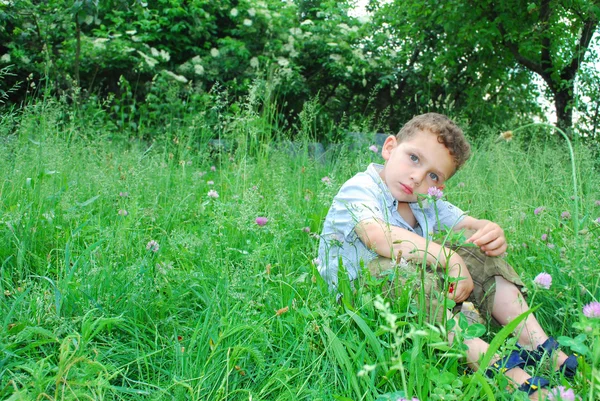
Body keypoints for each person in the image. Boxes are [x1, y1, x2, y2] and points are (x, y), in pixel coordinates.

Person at [317, 113, 577, 400]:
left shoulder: (425, 201)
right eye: (414, 158)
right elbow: (376, 235)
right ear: (390, 147)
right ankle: (500, 369)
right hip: (360, 296)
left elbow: (470, 229)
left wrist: (490, 231)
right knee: (394, 270)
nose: (417, 177)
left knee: (478, 253)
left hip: (415, 291)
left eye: (433, 175)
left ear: (437, 188)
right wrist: (448, 258)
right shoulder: (361, 186)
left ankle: (536, 344)